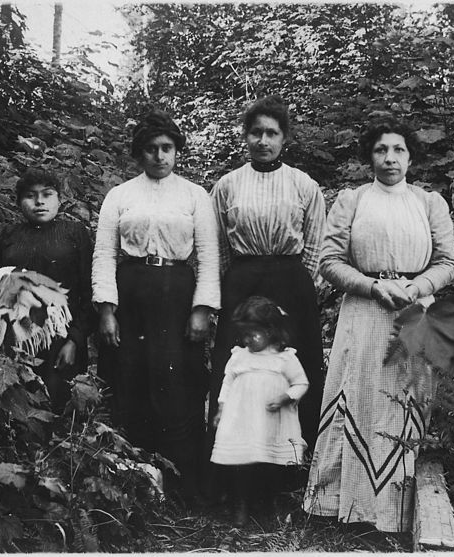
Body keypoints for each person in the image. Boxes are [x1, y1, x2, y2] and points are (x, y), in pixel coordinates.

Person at [302, 117, 454, 533]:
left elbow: (447, 262)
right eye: (381, 150)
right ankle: (347, 506)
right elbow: (329, 261)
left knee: (406, 399)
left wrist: (418, 286)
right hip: (365, 312)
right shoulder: (351, 200)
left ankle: (398, 513)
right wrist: (372, 287)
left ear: (410, 156)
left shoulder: (429, 203)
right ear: (369, 156)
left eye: (399, 150)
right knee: (361, 396)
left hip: (415, 311)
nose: (390, 158)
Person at [92, 110, 220, 503]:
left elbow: (209, 257)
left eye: (167, 148)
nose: (159, 156)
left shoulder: (195, 195)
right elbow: (104, 256)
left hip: (178, 293)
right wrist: (107, 310)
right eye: (151, 149)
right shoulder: (120, 195)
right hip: (132, 292)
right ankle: (136, 486)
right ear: (138, 154)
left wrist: (202, 310)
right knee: (132, 381)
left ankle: (185, 484)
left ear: (177, 151)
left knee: (178, 384)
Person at [210, 95, 326, 461]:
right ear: (245, 136)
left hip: (291, 280)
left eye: (271, 133)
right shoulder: (228, 185)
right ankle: (233, 458)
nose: (263, 141)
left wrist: (296, 285)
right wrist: (235, 281)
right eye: (256, 132)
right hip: (242, 279)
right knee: (239, 362)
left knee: (295, 362)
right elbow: (218, 244)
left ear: (283, 138)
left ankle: (294, 458)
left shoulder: (303, 184)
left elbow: (315, 243)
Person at [0, 168, 94, 412]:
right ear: (19, 202)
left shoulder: (74, 234)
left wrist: (75, 339)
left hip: (61, 338)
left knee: (58, 406)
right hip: (14, 335)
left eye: (47, 194)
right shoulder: (7, 235)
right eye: (30, 195)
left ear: (59, 200)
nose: (39, 201)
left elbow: (88, 289)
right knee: (16, 405)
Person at [211, 296, 309, 527]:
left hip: (272, 422)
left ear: (271, 330)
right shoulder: (240, 356)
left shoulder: (285, 358)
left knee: (271, 465)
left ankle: (271, 506)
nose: (246, 339)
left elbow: (301, 383)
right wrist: (221, 408)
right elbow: (227, 383)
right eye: (243, 333)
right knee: (243, 463)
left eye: (252, 334)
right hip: (243, 420)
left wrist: (285, 398)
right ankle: (241, 505)